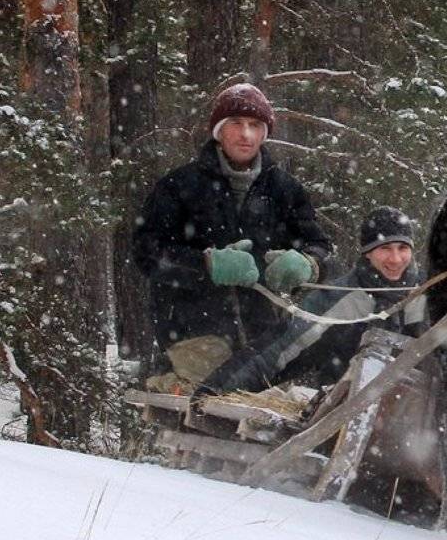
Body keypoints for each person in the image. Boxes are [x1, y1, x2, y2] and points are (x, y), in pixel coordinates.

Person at [133, 82, 334, 388]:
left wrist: (308, 264)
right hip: (192, 330)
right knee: (206, 409)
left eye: (255, 125)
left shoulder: (284, 189)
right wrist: (206, 265)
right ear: (219, 131)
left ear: (264, 133)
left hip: (264, 334)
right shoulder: (179, 185)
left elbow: (320, 246)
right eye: (236, 124)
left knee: (264, 420)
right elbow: (146, 251)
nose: (246, 134)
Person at [194, 206, 429, 397]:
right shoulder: (340, 298)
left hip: (413, 420)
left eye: (402, 248)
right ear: (367, 252)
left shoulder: (428, 293)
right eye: (385, 248)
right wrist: (215, 390)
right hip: (341, 412)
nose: (396, 259)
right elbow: (279, 350)